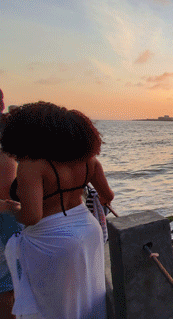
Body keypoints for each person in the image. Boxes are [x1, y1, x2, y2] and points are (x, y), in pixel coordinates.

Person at [1, 102, 114, 319]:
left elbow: (32, 217)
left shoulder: (31, 165)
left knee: (54, 307)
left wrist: (9, 207)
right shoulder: (89, 161)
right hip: (89, 232)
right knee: (88, 297)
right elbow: (107, 196)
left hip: (51, 239)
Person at [0, 89, 21, 319]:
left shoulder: (6, 128)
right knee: (8, 287)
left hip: (9, 215)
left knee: (12, 284)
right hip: (7, 215)